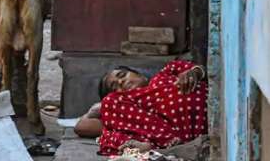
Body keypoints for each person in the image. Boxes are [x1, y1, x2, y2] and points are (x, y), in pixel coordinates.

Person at [74, 60, 208, 156]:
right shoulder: (128, 114)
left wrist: (193, 73)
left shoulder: (165, 74)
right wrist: (101, 106)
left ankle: (165, 150)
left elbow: (199, 68)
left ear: (138, 74)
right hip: (181, 137)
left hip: (209, 109)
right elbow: (81, 126)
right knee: (110, 135)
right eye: (115, 88)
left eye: (122, 75)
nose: (121, 82)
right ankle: (168, 147)